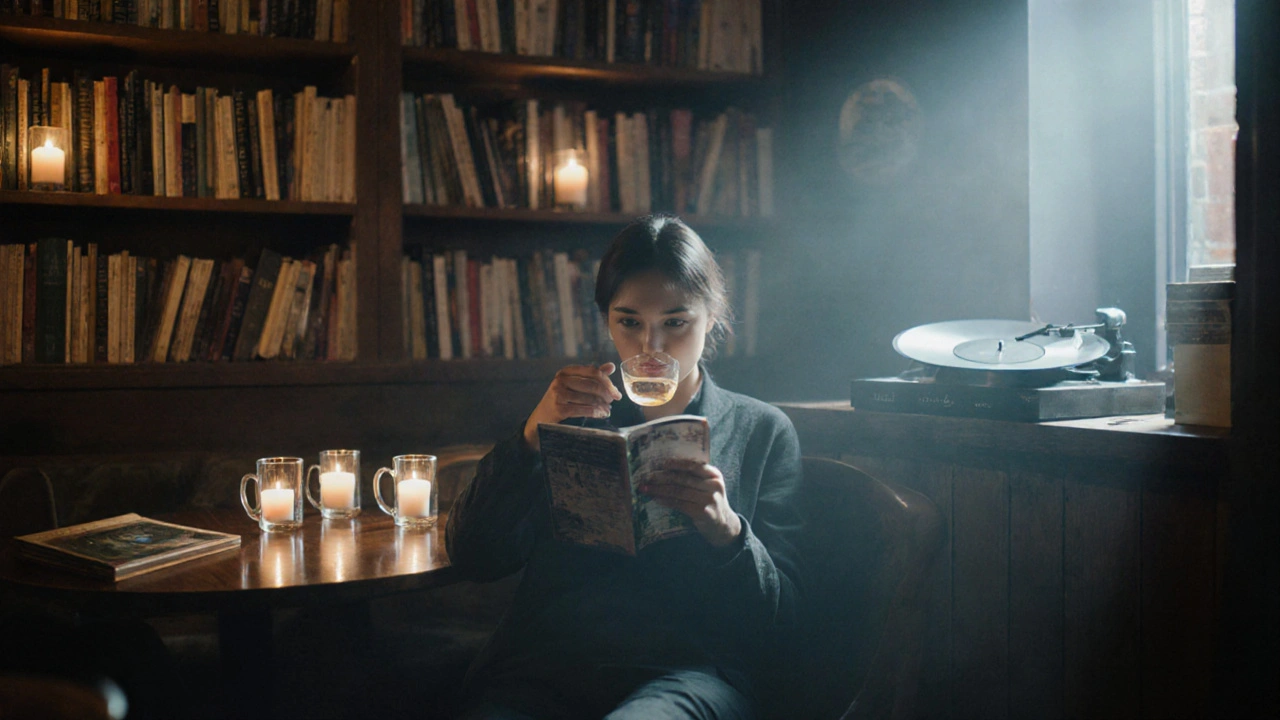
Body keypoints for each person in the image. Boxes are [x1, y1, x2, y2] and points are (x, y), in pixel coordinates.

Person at [447, 214, 804, 720]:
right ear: (606, 319)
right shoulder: (568, 417)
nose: (650, 349)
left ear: (712, 318)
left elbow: (783, 621)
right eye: (629, 322)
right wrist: (531, 436)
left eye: (675, 323)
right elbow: (474, 556)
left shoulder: (760, 431)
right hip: (552, 666)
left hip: (690, 671)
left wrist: (727, 532)